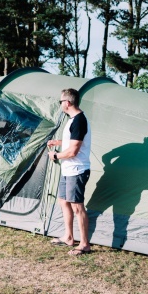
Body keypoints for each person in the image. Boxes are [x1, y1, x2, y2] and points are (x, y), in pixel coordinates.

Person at [47, 88, 92, 256]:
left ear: (67, 103)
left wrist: (56, 155)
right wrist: (58, 142)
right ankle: (68, 237)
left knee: (77, 207)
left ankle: (85, 244)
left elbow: (73, 151)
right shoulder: (73, 119)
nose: (60, 105)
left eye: (61, 102)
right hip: (68, 169)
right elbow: (74, 140)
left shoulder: (79, 120)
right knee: (63, 201)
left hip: (77, 170)